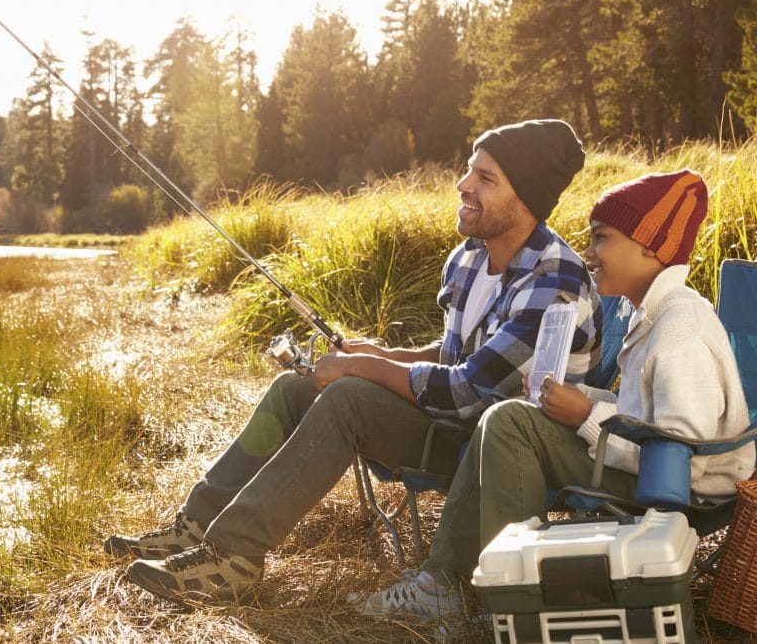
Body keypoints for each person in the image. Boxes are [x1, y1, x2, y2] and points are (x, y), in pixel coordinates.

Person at [106, 119, 603, 602]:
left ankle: (232, 558)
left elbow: (466, 392)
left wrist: (360, 368)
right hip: (449, 425)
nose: (463, 184)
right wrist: (379, 354)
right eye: (470, 169)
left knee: (349, 398)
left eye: (485, 178)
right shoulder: (470, 257)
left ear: (527, 200)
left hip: (490, 451)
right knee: (295, 389)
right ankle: (195, 526)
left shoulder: (554, 278)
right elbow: (455, 355)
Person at [354, 168, 755, 620]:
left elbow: (682, 453)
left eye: (602, 238)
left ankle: (505, 598)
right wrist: (581, 399)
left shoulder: (679, 328)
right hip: (650, 468)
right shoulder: (652, 314)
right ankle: (449, 582)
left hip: (683, 490)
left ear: (650, 245)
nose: (589, 252)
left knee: (510, 423)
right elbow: (643, 416)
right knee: (510, 416)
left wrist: (584, 415)